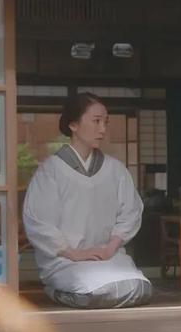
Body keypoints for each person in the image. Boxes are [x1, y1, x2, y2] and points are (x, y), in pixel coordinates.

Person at [23, 92, 151, 309]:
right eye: (96, 121)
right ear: (73, 124)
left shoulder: (116, 170)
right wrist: (75, 253)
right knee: (95, 291)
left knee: (139, 287)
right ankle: (60, 290)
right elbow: (39, 223)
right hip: (65, 260)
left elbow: (130, 212)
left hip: (107, 257)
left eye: (105, 122)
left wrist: (110, 248)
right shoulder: (50, 171)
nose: (103, 129)